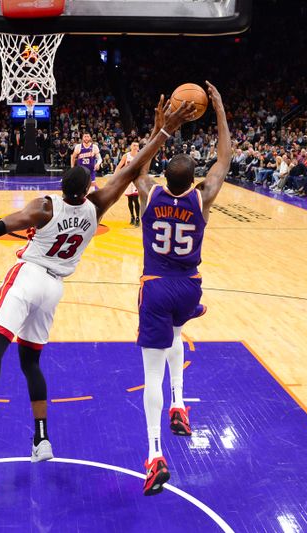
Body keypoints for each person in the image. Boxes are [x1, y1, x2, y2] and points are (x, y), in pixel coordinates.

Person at [0, 98, 196, 470]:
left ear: (60, 185)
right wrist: (161, 132)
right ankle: (41, 438)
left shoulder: (45, 207)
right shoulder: (97, 208)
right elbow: (129, 173)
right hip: (55, 290)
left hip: (29, 275)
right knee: (31, 363)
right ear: (87, 187)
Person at [131, 81, 230, 496]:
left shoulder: (150, 194)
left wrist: (161, 128)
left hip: (156, 288)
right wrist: (220, 111)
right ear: (194, 180)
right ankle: (179, 404)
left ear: (165, 179)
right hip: (190, 288)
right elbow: (224, 157)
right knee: (176, 333)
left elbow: (137, 167)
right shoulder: (203, 197)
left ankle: (155, 455)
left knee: (149, 374)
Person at [117, 142, 141, 226]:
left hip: (136, 180)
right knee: (130, 200)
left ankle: (138, 218)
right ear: (131, 147)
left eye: (137, 146)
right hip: (128, 180)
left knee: (135, 198)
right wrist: (116, 176)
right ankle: (132, 216)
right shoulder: (126, 156)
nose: (135, 147)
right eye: (134, 145)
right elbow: (119, 166)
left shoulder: (140, 155)